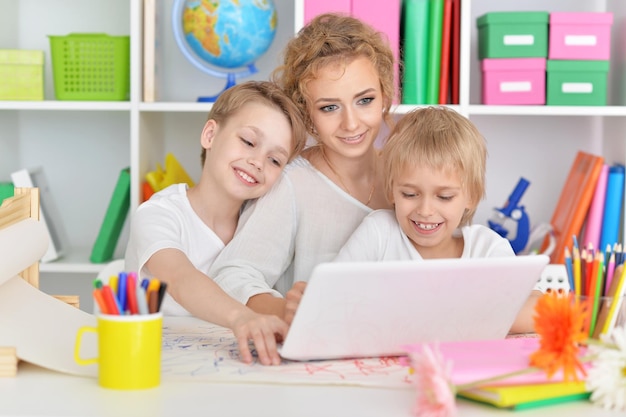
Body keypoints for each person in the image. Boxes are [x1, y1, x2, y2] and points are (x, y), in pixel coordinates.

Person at [288, 106, 545, 333]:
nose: (425, 210)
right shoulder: (379, 233)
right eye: (410, 194)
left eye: (444, 197)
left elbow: (535, 307)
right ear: (391, 191)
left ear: (471, 197)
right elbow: (332, 296)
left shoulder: (487, 248)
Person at [207, 13, 396, 320]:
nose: (351, 123)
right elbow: (233, 275)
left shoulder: (408, 177)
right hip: (318, 356)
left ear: (385, 97)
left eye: (365, 100)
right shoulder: (292, 182)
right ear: (307, 114)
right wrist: (287, 312)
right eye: (329, 107)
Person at [124, 81, 307, 365]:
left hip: (233, 367)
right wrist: (242, 317)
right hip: (156, 364)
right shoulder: (158, 214)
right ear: (210, 134)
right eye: (248, 141)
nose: (258, 162)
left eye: (274, 160)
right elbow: (180, 278)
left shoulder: (263, 227)